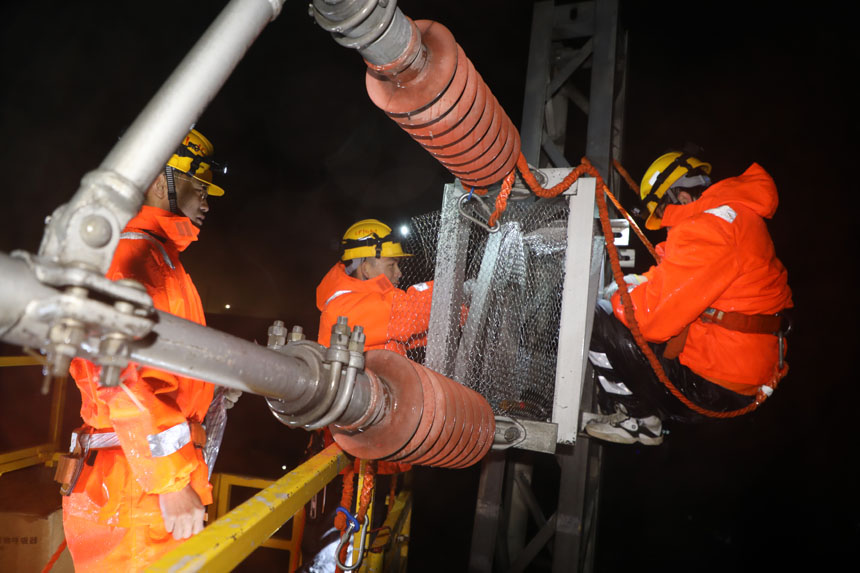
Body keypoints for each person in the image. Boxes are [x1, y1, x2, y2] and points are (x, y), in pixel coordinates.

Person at [60, 128, 239, 571]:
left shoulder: (161, 260)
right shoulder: (131, 259)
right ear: (161, 180)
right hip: (137, 488)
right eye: (198, 185)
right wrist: (171, 484)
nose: (207, 199)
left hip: (139, 480)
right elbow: (118, 379)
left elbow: (167, 370)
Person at [583, 151, 793, 446]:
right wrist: (641, 281)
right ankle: (633, 414)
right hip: (736, 375)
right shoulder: (733, 217)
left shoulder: (709, 228)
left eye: (663, 216)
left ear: (679, 197)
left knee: (594, 320)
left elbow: (650, 317)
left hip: (714, 383)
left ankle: (637, 419)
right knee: (617, 314)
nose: (667, 226)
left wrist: (621, 295)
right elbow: (683, 278)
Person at [316, 218, 433, 355]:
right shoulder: (344, 308)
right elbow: (410, 312)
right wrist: (457, 292)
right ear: (365, 268)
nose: (399, 273)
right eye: (391, 265)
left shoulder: (368, 305)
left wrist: (460, 311)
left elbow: (420, 331)